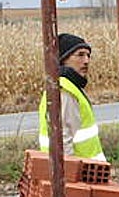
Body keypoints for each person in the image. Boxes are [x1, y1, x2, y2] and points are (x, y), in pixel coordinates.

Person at [37, 32, 106, 163]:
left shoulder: (69, 87)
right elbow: (63, 141)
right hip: (80, 174)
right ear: (64, 59)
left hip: (87, 171)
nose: (86, 61)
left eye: (88, 55)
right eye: (80, 55)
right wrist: (69, 177)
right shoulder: (64, 90)